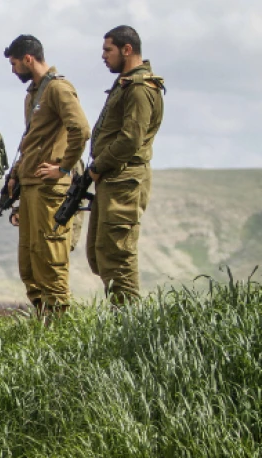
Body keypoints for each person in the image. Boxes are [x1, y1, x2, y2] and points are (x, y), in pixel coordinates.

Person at [4, 34, 90, 314]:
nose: (13, 70)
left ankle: (59, 326)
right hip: (31, 186)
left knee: (51, 258)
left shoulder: (58, 89)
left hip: (49, 189)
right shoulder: (34, 93)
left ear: (28, 59)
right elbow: (34, 139)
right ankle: (43, 322)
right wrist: (17, 173)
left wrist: (63, 166)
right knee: (29, 261)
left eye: (15, 63)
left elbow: (81, 129)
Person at [86, 25, 165, 305]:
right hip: (112, 178)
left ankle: (130, 324)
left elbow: (131, 140)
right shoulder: (127, 83)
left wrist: (99, 165)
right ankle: (122, 318)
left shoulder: (140, 88)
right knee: (101, 253)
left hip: (124, 179)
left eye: (108, 50)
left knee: (118, 253)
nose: (104, 56)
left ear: (127, 50)